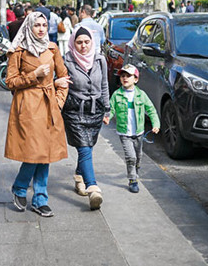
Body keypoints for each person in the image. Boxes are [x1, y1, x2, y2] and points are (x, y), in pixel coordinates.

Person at [4, 12, 69, 218]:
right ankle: (20, 187)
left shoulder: (52, 48)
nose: (41, 29)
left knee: (46, 153)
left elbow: (64, 76)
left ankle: (40, 198)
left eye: (44, 25)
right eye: (36, 25)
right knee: (35, 153)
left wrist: (59, 100)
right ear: (29, 28)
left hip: (49, 106)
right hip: (28, 107)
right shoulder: (18, 51)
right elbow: (10, 82)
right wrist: (34, 75)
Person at [61, 27, 109, 210]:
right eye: (79, 42)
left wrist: (107, 110)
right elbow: (61, 84)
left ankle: (79, 177)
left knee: (88, 147)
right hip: (74, 110)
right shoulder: (67, 60)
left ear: (92, 42)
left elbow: (104, 84)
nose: (83, 46)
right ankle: (93, 187)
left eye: (86, 42)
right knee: (84, 148)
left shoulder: (100, 59)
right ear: (73, 43)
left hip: (95, 110)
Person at [108, 65, 160, 194]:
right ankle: (132, 180)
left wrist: (156, 124)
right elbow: (111, 109)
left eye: (128, 76)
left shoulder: (141, 95)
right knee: (130, 157)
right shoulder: (117, 95)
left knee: (138, 156)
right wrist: (107, 118)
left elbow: (151, 110)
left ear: (136, 79)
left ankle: (135, 172)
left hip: (138, 133)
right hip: (124, 133)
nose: (125, 78)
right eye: (122, 76)